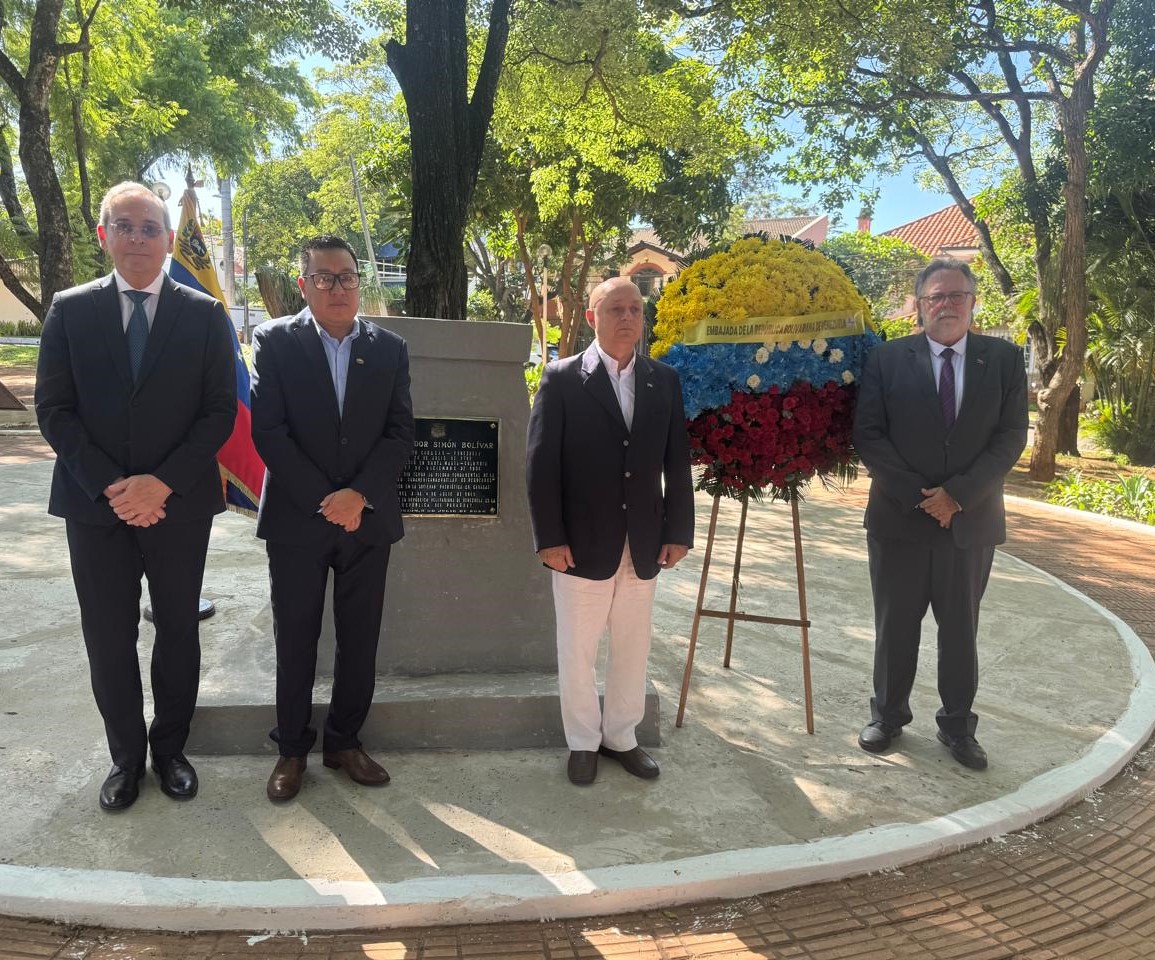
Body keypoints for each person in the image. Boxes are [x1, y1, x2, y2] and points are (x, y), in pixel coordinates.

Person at [35, 181, 236, 811]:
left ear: (170, 240)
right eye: (125, 226)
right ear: (104, 236)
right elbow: (54, 410)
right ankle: (126, 758)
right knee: (108, 635)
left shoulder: (204, 315)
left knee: (178, 629)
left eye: (151, 228)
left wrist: (161, 483)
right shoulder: (69, 311)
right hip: (95, 507)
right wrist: (114, 487)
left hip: (179, 505)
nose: (139, 238)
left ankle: (170, 750)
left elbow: (218, 412)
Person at [250, 235, 414, 802]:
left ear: (358, 282)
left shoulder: (389, 348)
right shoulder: (274, 341)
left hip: (366, 522)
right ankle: (292, 750)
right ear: (304, 284)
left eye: (346, 276)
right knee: (295, 637)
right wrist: (328, 498)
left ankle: (345, 741)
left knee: (359, 637)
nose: (338, 286)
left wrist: (359, 496)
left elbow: (399, 433)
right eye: (325, 277)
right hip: (299, 520)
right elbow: (268, 430)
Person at [853, 258, 1028, 770]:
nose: (945, 305)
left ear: (973, 303)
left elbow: (1011, 437)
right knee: (895, 625)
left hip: (970, 523)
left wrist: (958, 496)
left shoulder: (1003, 359)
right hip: (899, 521)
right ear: (920, 305)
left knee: (960, 630)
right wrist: (922, 496)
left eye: (955, 296)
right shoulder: (886, 360)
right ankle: (887, 716)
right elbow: (870, 434)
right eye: (935, 297)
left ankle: (957, 726)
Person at [526, 276, 694, 786]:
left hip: (643, 543)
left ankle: (621, 736)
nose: (628, 318)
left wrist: (678, 531)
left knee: (633, 646)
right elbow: (540, 466)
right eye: (616, 308)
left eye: (636, 310)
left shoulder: (663, 381)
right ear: (593, 316)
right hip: (579, 545)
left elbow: (677, 463)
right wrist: (548, 538)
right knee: (577, 648)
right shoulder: (560, 379)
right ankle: (582, 742)